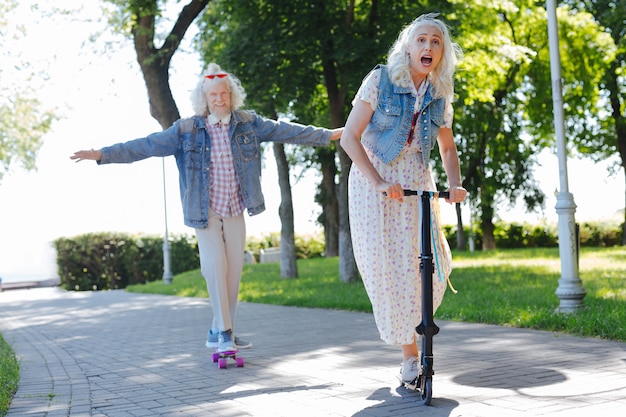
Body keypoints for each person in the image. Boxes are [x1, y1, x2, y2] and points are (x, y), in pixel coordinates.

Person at [71, 63, 343, 354]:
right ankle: (225, 332)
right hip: (205, 210)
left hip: (236, 206)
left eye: (224, 93)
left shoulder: (247, 122)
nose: (219, 99)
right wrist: (102, 154)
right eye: (213, 95)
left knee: (233, 271)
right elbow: (147, 145)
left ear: (231, 96)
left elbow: (285, 131)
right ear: (204, 99)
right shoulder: (186, 130)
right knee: (215, 266)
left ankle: (220, 330)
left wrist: (328, 135)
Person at [339, 13, 467, 383]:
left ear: (442, 53)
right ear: (408, 46)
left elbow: (446, 147)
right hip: (373, 178)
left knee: (431, 265)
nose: (428, 47)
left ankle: (418, 337)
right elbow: (350, 137)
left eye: (436, 42)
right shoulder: (380, 79)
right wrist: (379, 182)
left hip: (416, 179)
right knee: (390, 269)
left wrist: (454, 184)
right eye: (421, 40)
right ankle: (411, 358)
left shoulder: (439, 92)